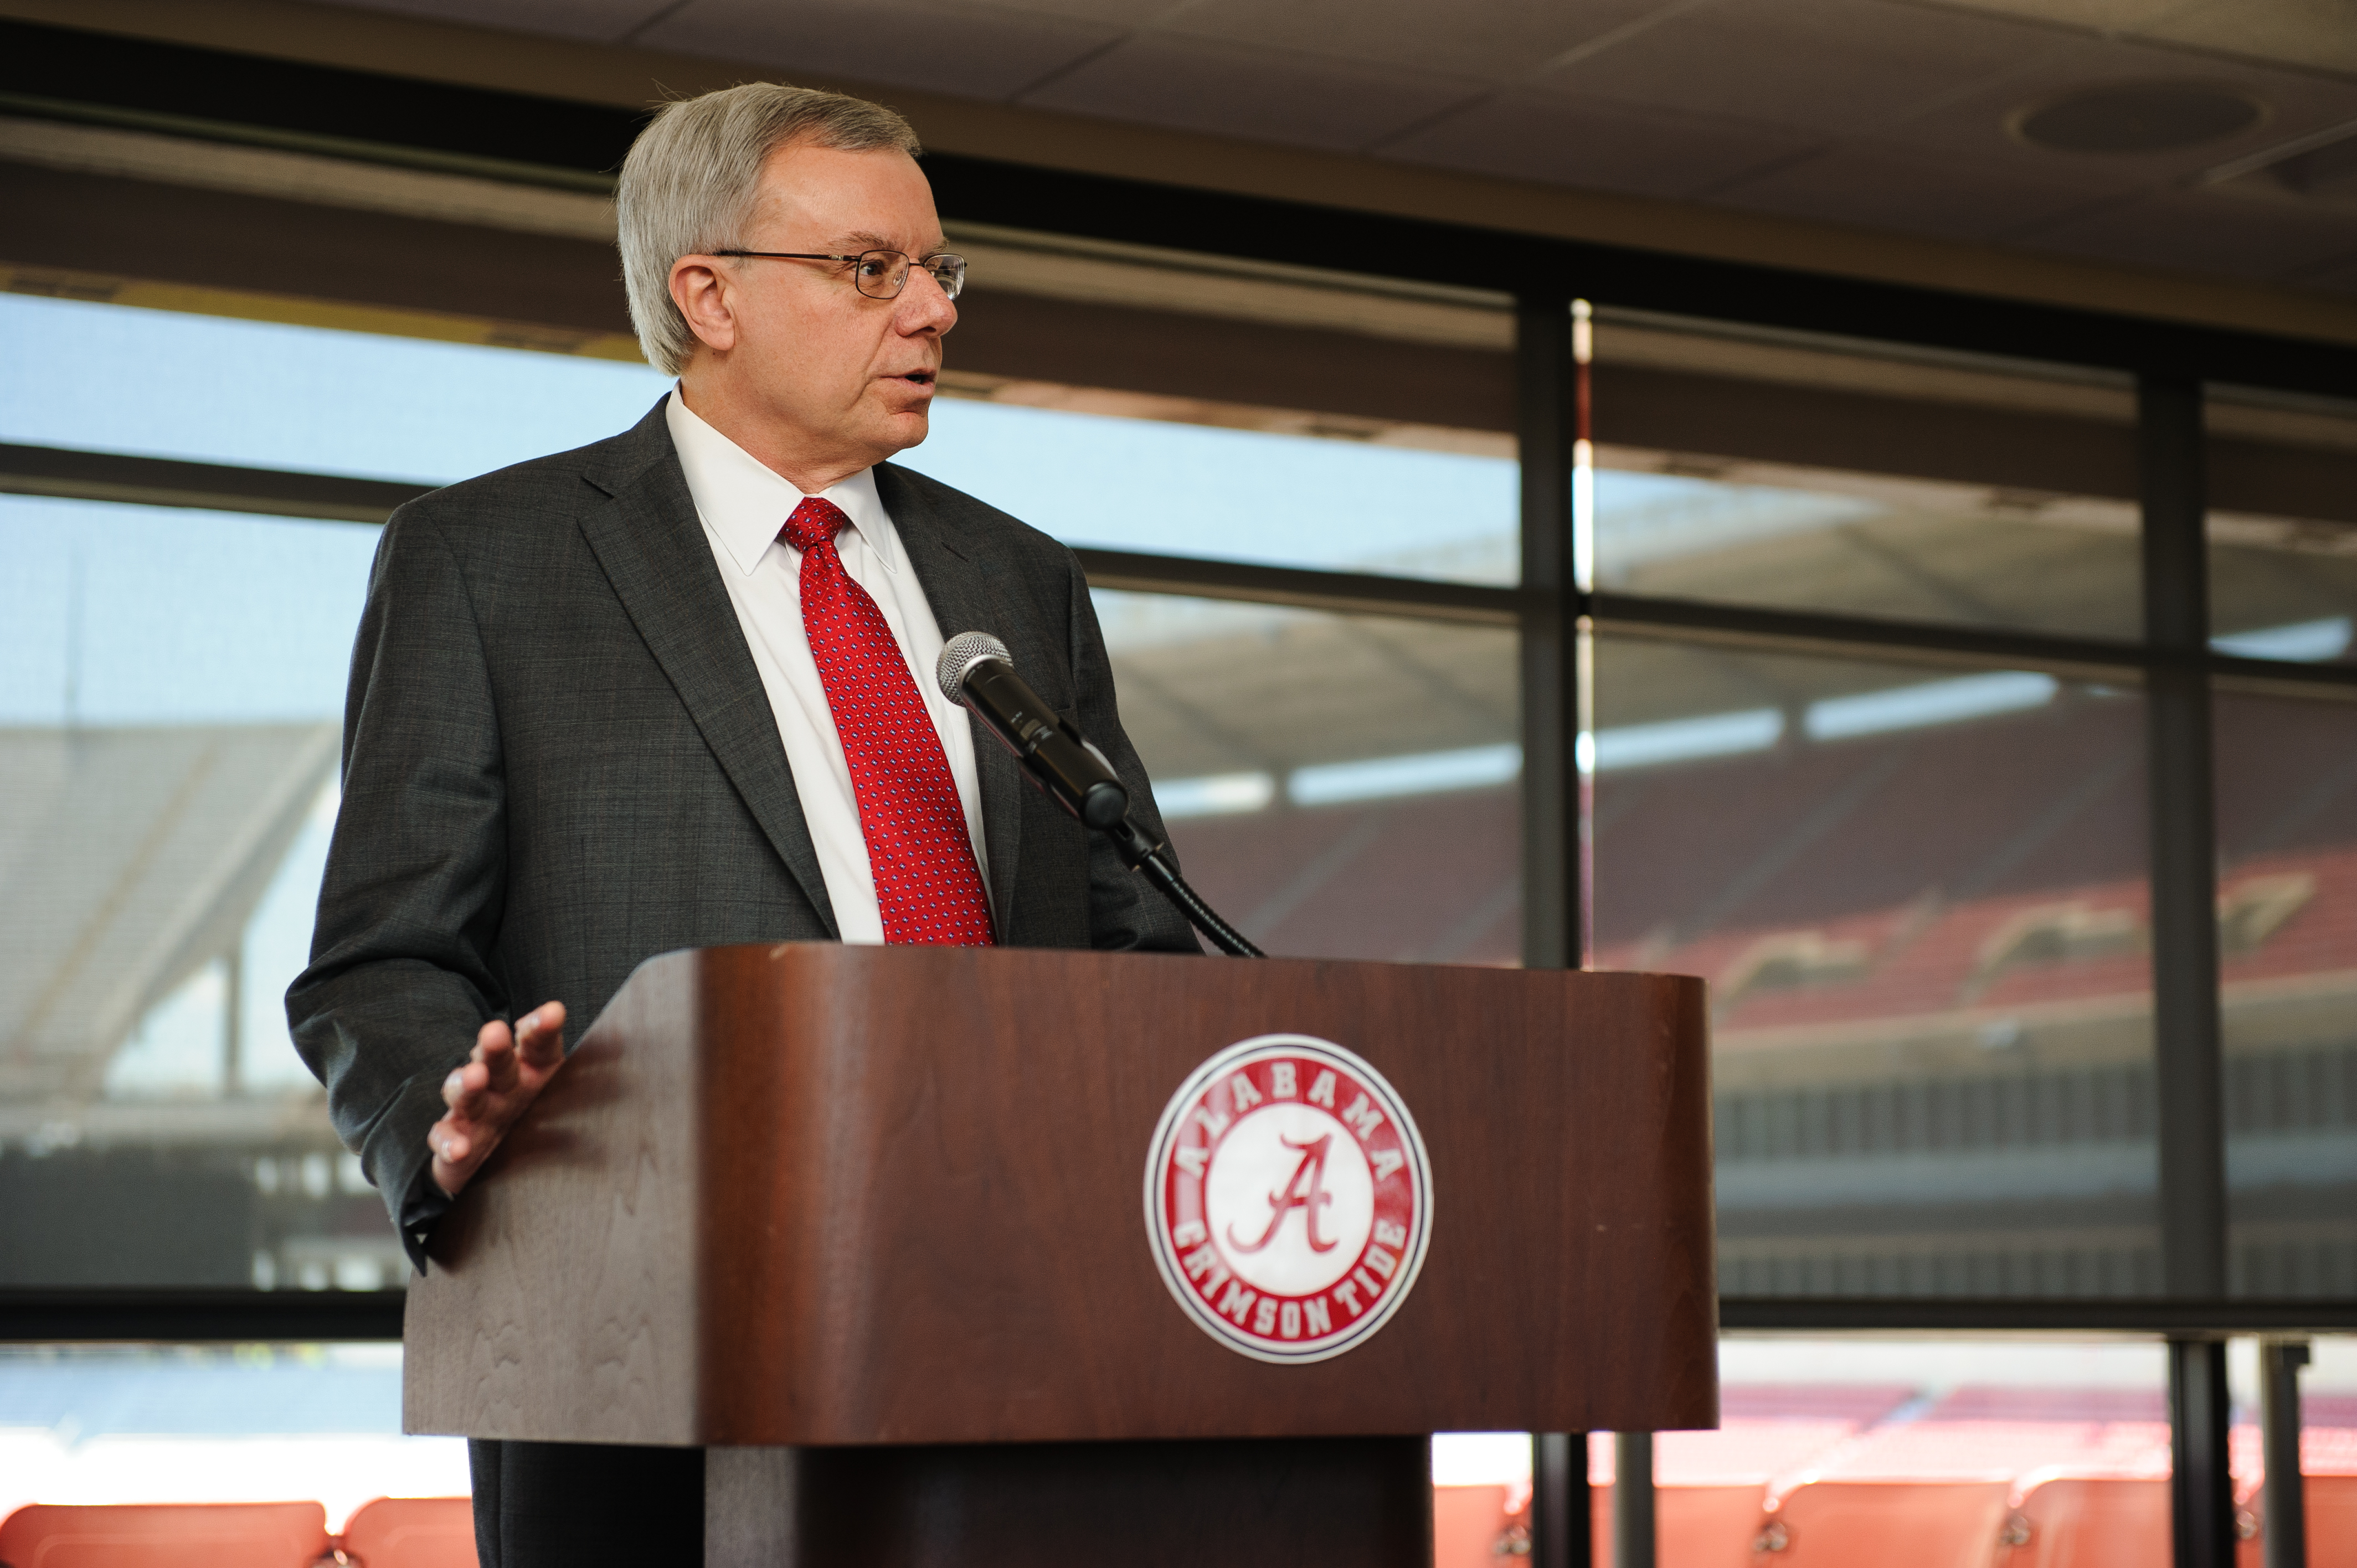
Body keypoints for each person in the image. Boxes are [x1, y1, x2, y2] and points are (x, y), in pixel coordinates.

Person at [287, 81, 1197, 1567]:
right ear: (706, 293)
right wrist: (452, 1127)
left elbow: (1139, 933)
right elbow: (380, 958)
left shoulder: (1017, 578)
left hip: (1027, 1320)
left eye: (939, 269)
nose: (933, 312)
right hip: (640, 1335)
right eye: (870, 268)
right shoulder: (488, 562)